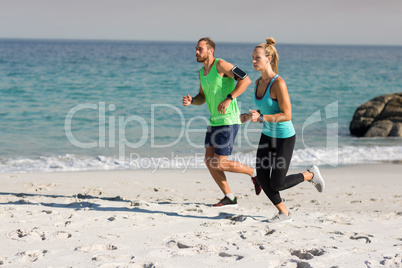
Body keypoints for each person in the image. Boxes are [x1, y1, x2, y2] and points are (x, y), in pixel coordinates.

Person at [242, 37, 325, 223]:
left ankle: (310, 174)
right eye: (252, 58)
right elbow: (268, 109)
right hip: (267, 135)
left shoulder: (278, 83)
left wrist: (261, 118)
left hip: (284, 138)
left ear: (268, 59)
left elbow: (287, 114)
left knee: (277, 183)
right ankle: (284, 213)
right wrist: (250, 116)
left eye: (257, 58)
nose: (253, 61)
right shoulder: (257, 83)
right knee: (262, 178)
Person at [182, 37, 261, 207]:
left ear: (210, 51)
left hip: (228, 119)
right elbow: (202, 97)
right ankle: (229, 197)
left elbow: (245, 79)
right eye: (196, 49)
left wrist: (229, 98)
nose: (196, 52)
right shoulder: (202, 73)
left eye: (200, 49)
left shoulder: (221, 65)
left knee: (220, 162)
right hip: (214, 121)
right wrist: (192, 101)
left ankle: (255, 174)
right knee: (209, 161)